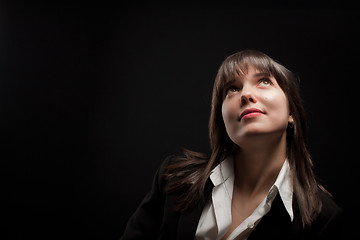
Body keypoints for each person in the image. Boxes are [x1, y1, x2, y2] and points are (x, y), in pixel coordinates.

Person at [121, 50, 342, 240]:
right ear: (222, 119)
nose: (246, 94)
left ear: (291, 112)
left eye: (264, 81)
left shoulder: (323, 220)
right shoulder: (172, 179)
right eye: (232, 89)